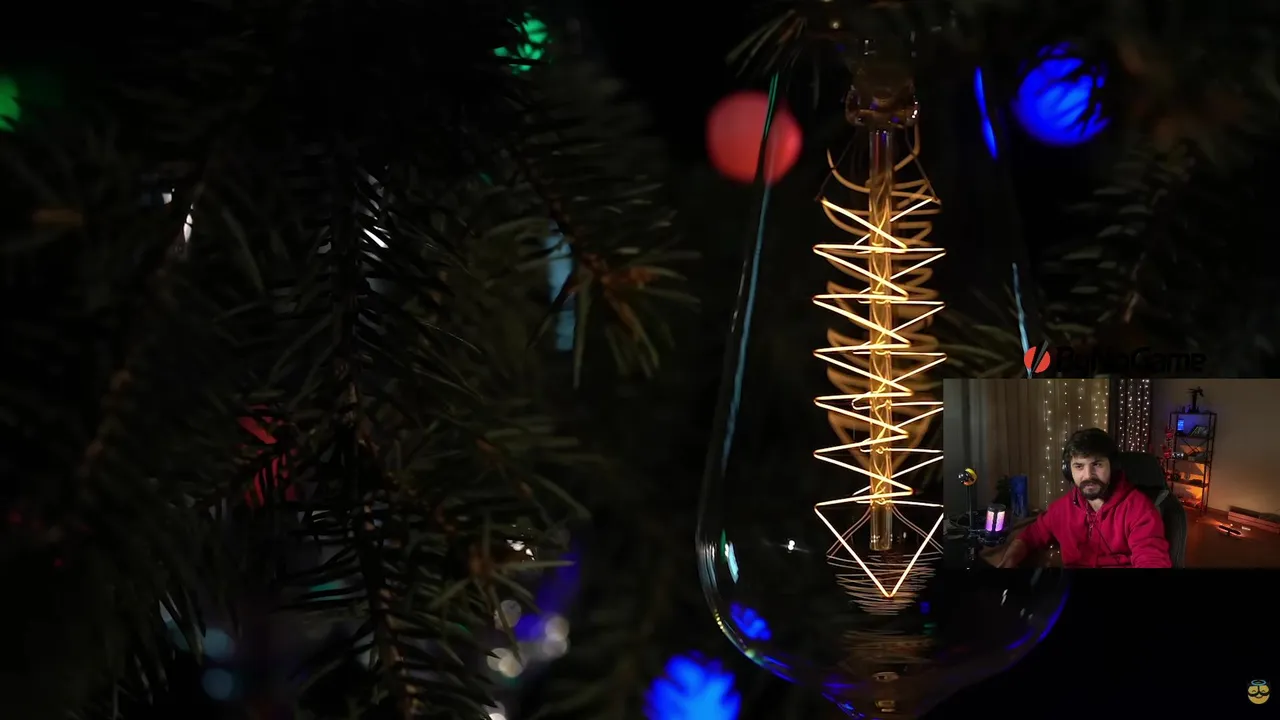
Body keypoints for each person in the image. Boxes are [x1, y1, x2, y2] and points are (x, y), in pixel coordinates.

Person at [998, 427, 1172, 568]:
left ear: (1113, 466)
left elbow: (1152, 559)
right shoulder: (1061, 509)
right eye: (1079, 466)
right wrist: (1011, 558)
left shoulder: (1139, 509)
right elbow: (1031, 535)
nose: (1088, 475)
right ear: (1069, 471)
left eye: (1097, 464)